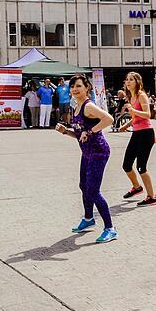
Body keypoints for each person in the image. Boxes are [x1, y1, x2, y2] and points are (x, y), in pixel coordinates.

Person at [55, 74, 117, 243]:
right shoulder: (76, 107)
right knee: (83, 186)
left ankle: (110, 229)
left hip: (99, 152)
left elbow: (109, 119)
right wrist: (65, 131)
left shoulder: (88, 106)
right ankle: (89, 218)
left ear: (87, 88)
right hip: (87, 153)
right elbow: (79, 135)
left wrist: (90, 131)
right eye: (72, 86)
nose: (75, 89)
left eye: (79, 86)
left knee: (93, 191)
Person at [119, 72, 156, 207]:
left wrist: (132, 111)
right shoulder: (132, 97)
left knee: (141, 167)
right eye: (127, 80)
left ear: (137, 82)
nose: (128, 82)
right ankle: (137, 187)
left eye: (131, 80)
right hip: (136, 133)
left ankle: (152, 197)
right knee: (126, 165)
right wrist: (127, 124)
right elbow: (136, 117)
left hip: (146, 134)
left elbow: (147, 115)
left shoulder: (141, 95)